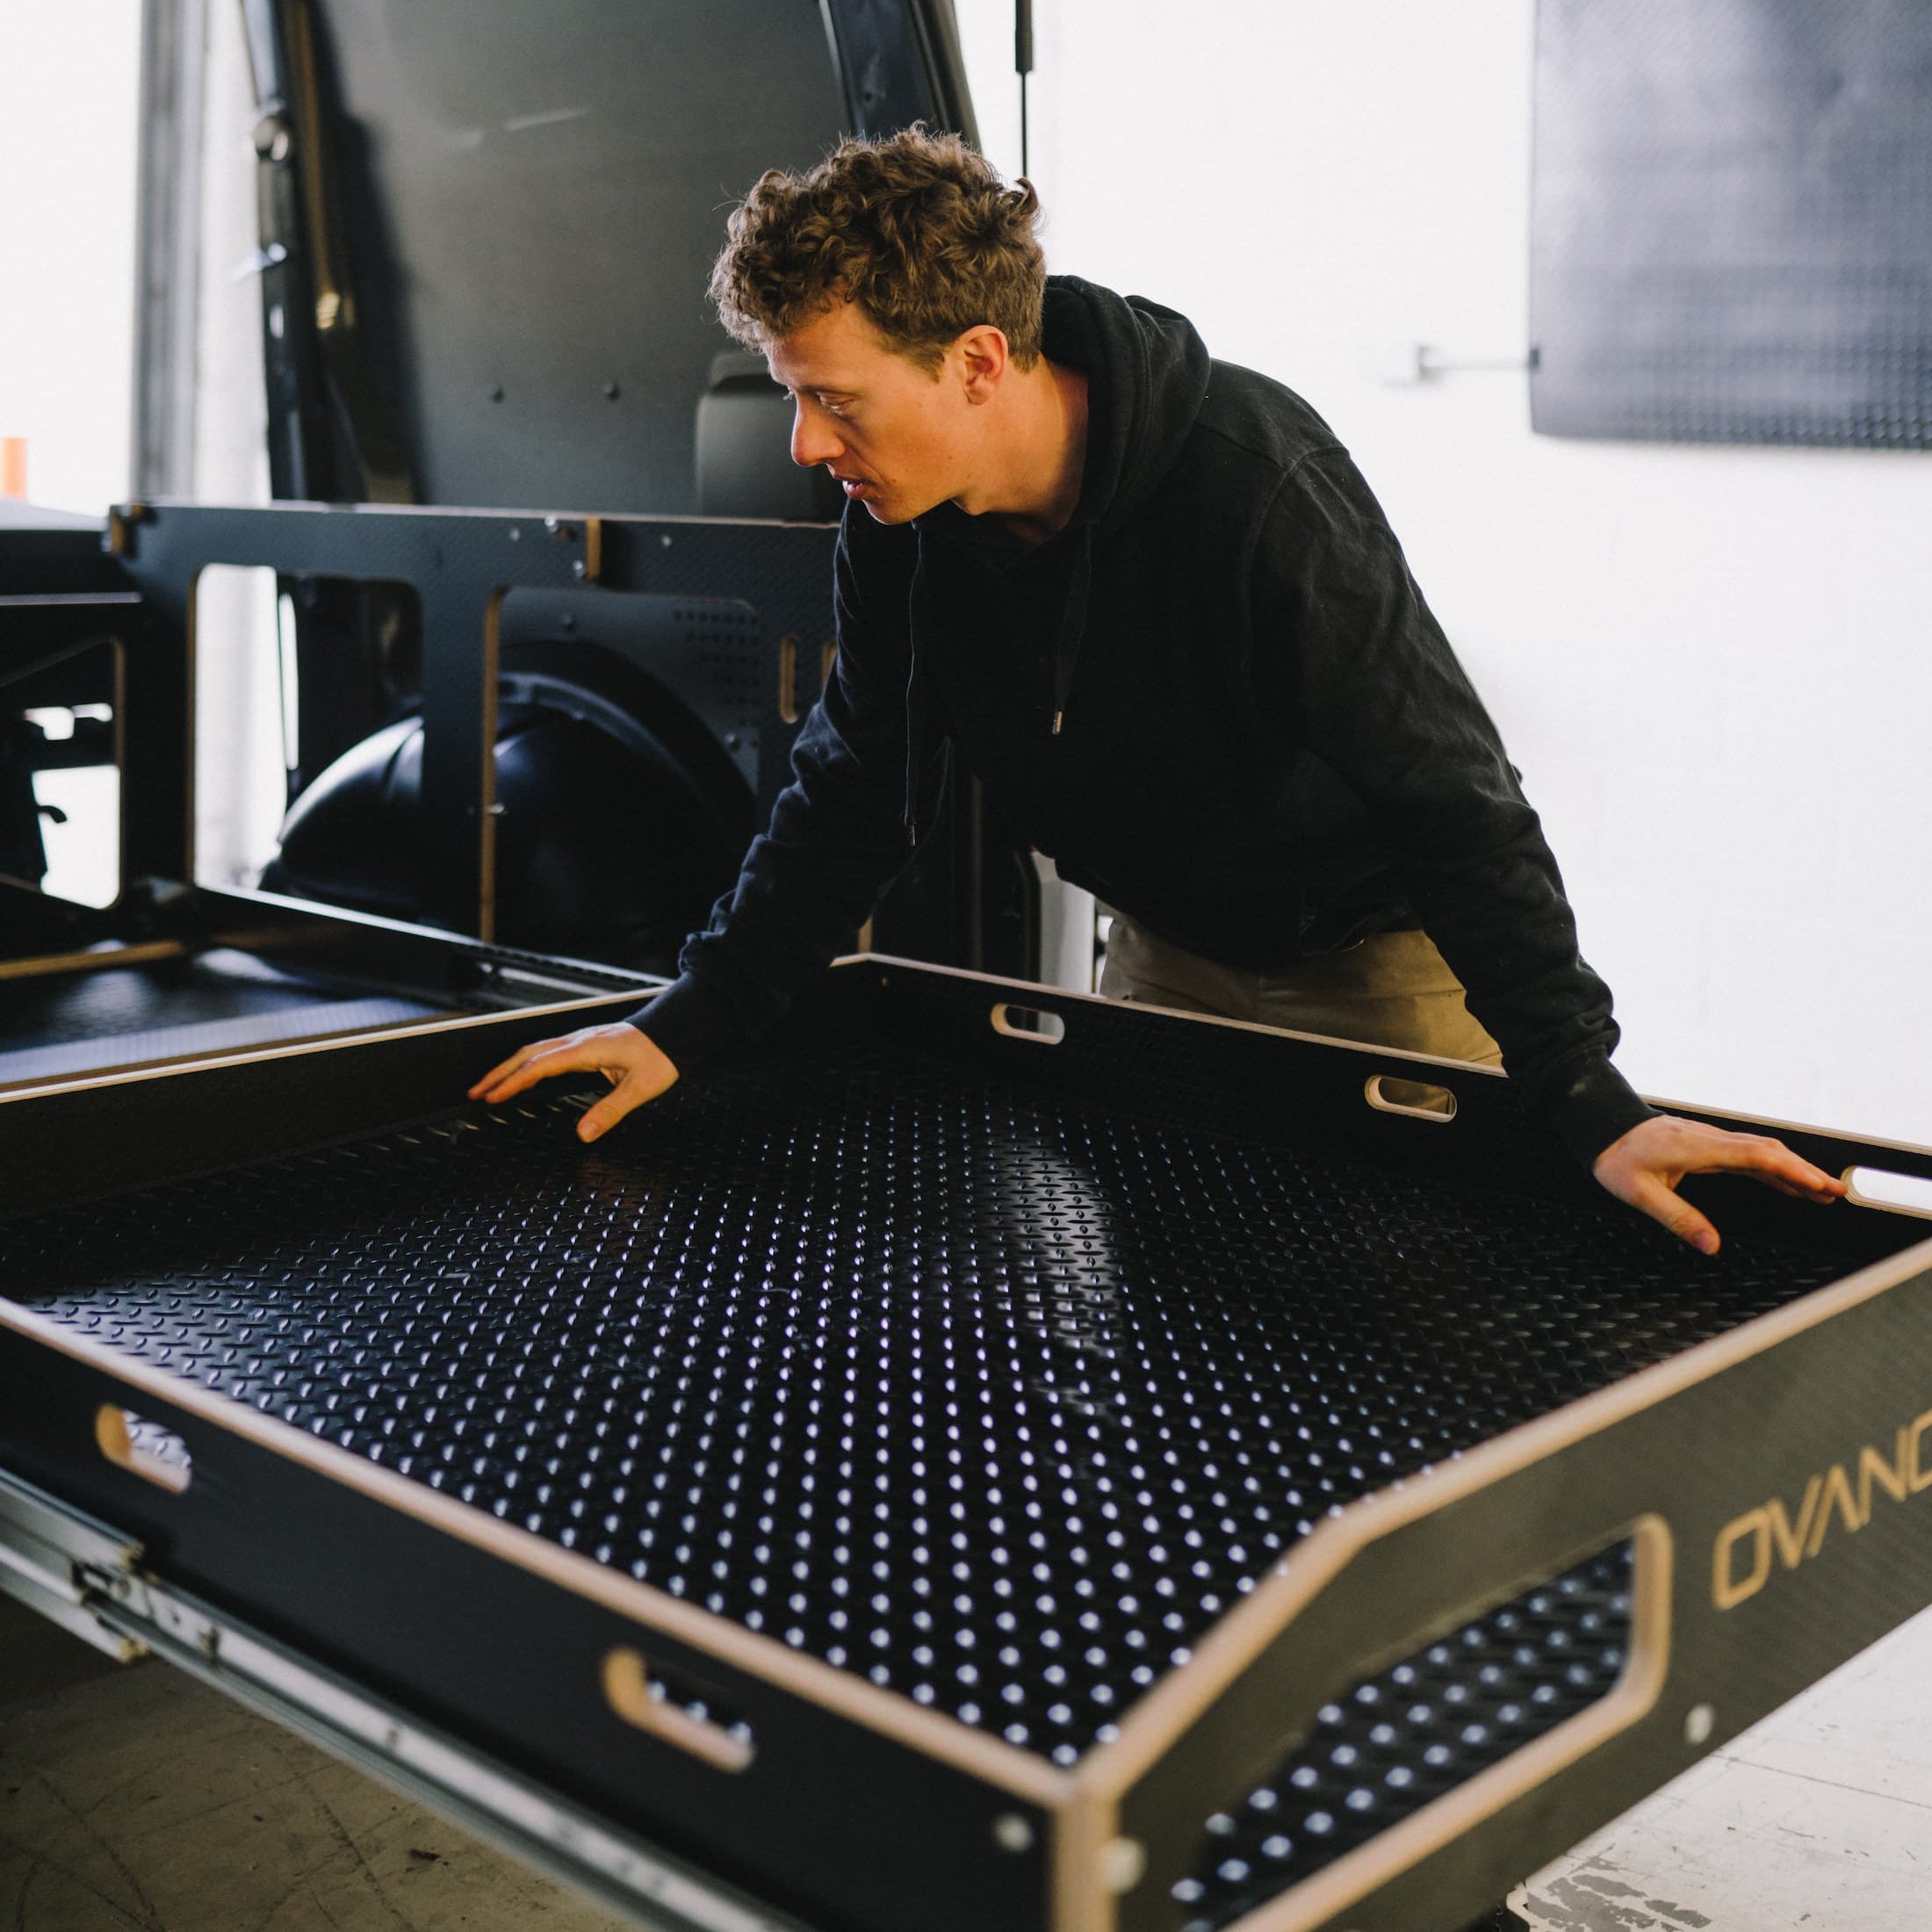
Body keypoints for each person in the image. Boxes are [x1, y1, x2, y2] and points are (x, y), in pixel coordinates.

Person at [472, 128, 1842, 1253]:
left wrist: (1589, 1100)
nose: (805, 441)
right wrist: (685, 1024)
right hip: (1163, 961)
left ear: (979, 363)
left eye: (834, 398)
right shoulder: (899, 527)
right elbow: (855, 789)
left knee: (1409, 1344)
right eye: (793, 395)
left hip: (1373, 972)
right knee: (1171, 1323)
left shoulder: (1254, 484)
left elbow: (1449, 798)